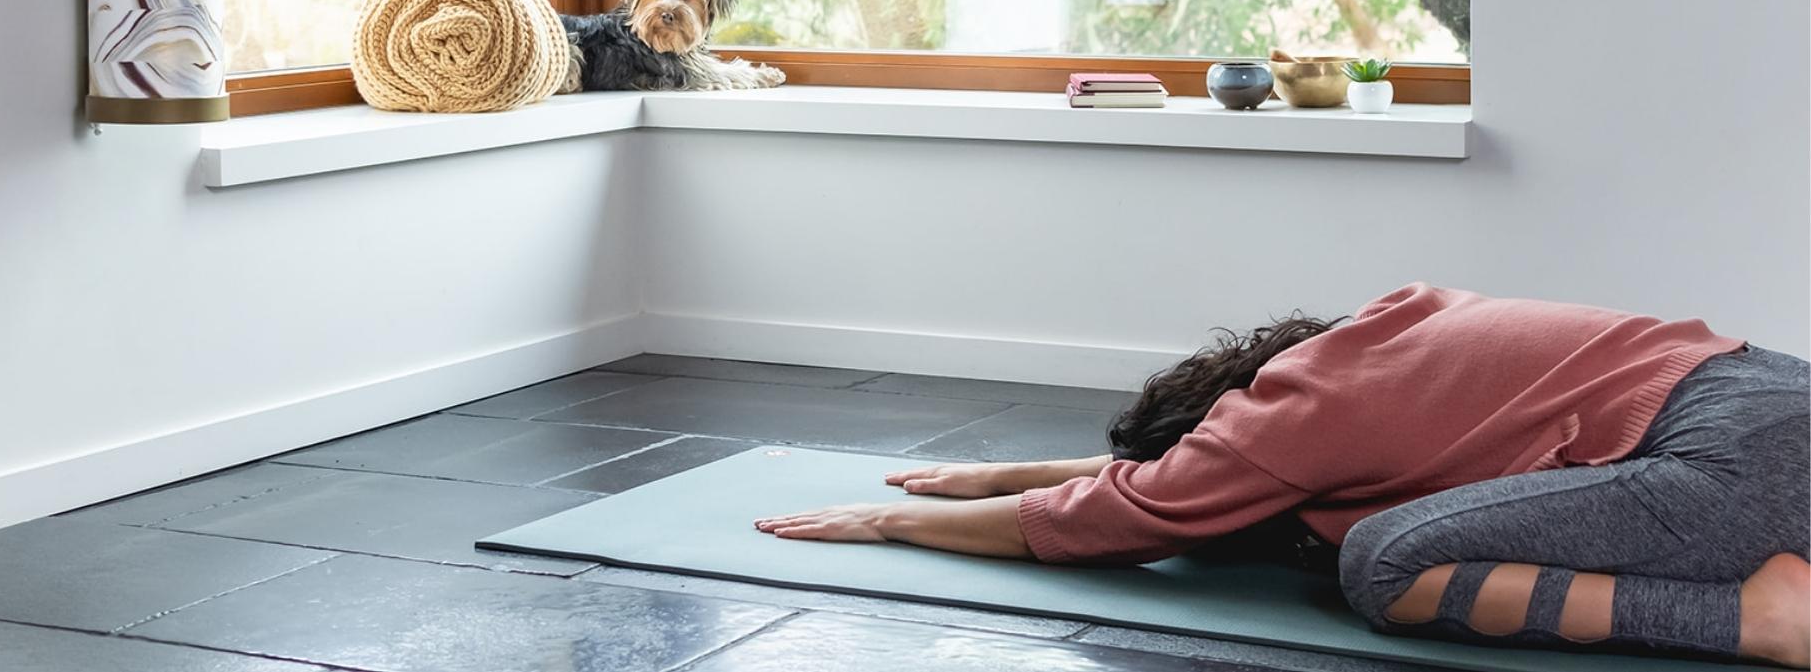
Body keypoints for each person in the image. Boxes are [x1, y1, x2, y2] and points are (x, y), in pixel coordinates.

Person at [754, 283, 1810, 666]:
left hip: (1725, 474)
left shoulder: (1287, 412)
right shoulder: (1396, 323)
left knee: (1385, 563)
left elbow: (1115, 517)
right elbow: (1238, 467)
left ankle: (1764, 619)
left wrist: (894, 526)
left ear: (1228, 413)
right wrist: (1019, 466)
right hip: (1768, 398)